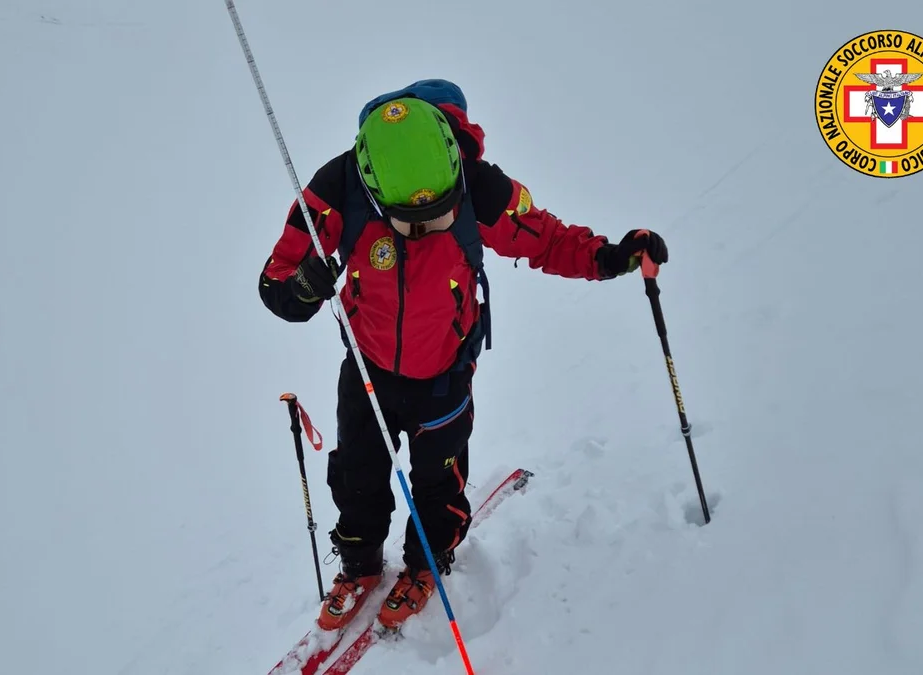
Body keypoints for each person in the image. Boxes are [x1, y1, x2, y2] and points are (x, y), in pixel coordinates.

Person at [257, 79, 668, 632]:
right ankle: (358, 564)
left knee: (438, 476)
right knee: (358, 472)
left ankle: (427, 560)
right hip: (368, 367)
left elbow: (546, 239)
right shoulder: (338, 186)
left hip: (445, 369)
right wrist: (301, 288)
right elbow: (277, 278)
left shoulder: (477, 182)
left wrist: (613, 256)